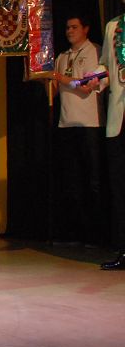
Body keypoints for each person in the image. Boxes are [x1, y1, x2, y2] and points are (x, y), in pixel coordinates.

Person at [52, 14, 106, 246]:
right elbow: (56, 88)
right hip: (67, 124)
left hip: (89, 124)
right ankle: (78, 234)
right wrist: (41, 77)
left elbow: (84, 87)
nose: (69, 31)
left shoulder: (94, 51)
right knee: (72, 183)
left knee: (93, 182)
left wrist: (59, 77)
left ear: (86, 29)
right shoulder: (62, 56)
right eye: (67, 28)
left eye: (74, 27)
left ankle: (98, 234)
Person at [99, 0, 125, 271]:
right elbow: (107, 66)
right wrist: (96, 79)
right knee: (120, 189)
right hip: (119, 117)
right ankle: (123, 249)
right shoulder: (113, 26)